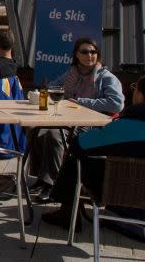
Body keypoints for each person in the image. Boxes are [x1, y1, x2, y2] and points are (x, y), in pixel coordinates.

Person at [40, 77, 145, 231]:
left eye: (135, 88)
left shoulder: (124, 126)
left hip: (120, 189)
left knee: (75, 162)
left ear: (141, 95)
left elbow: (78, 145)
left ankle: (67, 213)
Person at [28, 38, 125, 201]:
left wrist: (82, 102)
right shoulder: (72, 72)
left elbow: (117, 104)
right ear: (76, 55)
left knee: (54, 135)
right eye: (85, 52)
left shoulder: (106, 78)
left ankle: (54, 186)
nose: (90, 55)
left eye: (93, 52)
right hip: (69, 119)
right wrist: (58, 89)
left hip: (93, 125)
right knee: (35, 130)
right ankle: (43, 179)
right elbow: (53, 87)